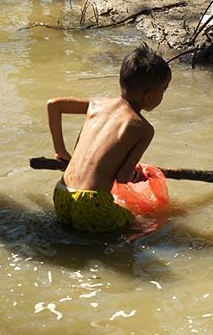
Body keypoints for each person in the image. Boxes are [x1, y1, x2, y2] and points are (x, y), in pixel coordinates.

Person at [47, 44, 171, 233]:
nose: (163, 96)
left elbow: (54, 105)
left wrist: (61, 151)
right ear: (149, 95)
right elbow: (122, 177)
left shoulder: (96, 104)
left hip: (62, 194)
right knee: (149, 225)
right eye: (164, 91)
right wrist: (138, 175)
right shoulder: (143, 129)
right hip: (92, 205)